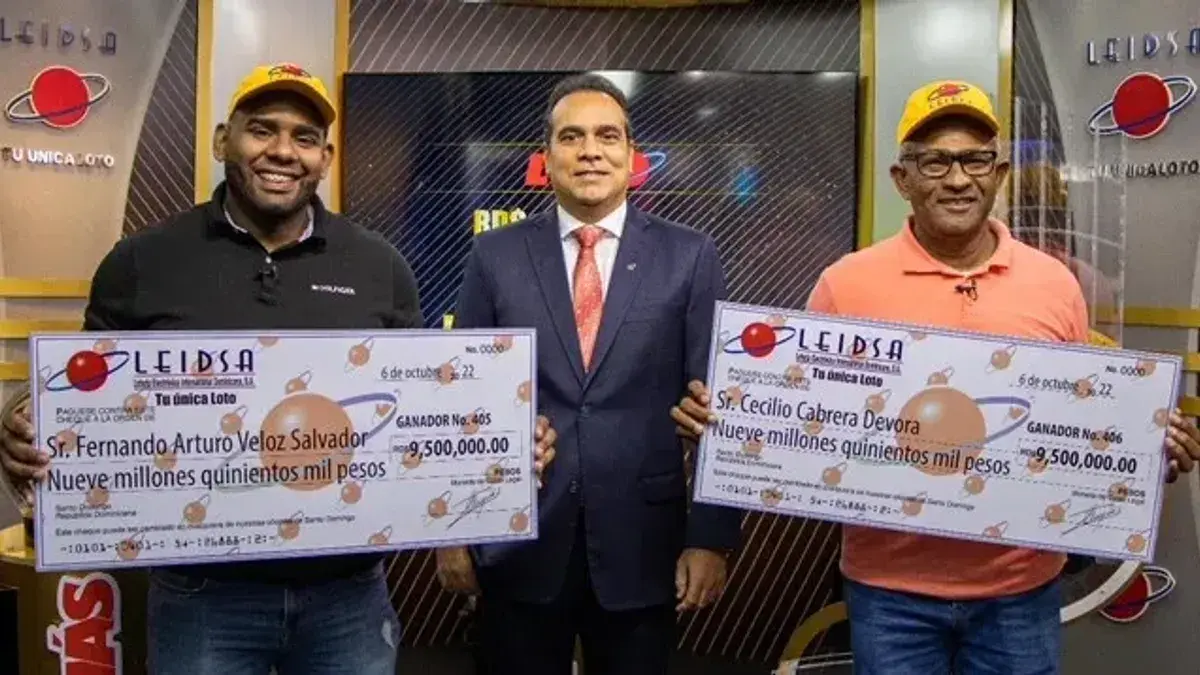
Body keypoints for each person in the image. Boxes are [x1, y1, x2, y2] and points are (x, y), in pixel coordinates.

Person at [0, 62, 557, 675]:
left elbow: (418, 407)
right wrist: (22, 419)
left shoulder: (380, 267)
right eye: (262, 129)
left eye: (304, 137)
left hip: (347, 596)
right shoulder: (143, 262)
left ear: (325, 158)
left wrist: (502, 442)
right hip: (202, 597)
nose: (283, 152)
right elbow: (81, 391)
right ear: (224, 140)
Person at [670, 80, 1200, 674]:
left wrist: (1144, 449)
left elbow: (1081, 419)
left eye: (975, 160)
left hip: (1020, 590)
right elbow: (800, 410)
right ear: (903, 179)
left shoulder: (1055, 284)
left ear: (999, 174)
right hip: (888, 591)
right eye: (935, 162)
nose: (957, 179)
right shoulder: (846, 284)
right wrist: (728, 423)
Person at [434, 73, 743, 674]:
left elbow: (715, 406)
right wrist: (452, 531)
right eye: (571, 137)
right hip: (519, 543)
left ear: (632, 155)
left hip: (644, 545)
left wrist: (710, 537)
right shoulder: (494, 255)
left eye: (607, 136)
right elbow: (462, 401)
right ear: (546, 157)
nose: (590, 151)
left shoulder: (690, 254)